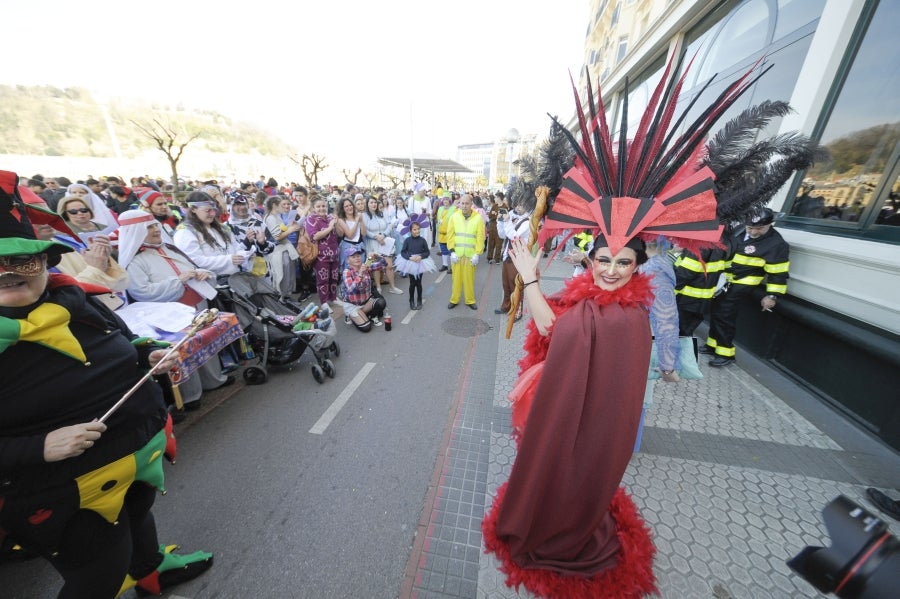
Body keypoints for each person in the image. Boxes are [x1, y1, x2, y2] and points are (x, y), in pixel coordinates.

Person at [0, 176, 213, 598]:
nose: (9, 276)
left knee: (138, 513)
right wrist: (38, 446)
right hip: (65, 491)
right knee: (97, 577)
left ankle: (152, 569)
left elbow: (122, 341)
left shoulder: (75, 299)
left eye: (24, 263)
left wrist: (146, 353)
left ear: (44, 262)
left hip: (135, 453)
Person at [483, 234, 656, 597]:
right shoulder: (593, 297)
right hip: (571, 405)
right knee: (556, 470)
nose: (610, 271)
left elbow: (554, 330)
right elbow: (562, 327)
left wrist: (530, 280)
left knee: (566, 473)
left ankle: (557, 528)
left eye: (623, 262)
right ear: (589, 259)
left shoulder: (626, 316)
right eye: (603, 260)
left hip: (591, 424)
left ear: (637, 266)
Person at [117, 210, 233, 410]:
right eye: (149, 227)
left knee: (203, 344)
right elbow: (141, 292)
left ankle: (214, 380)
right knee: (179, 353)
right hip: (168, 316)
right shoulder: (134, 260)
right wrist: (178, 281)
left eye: (155, 225)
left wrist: (203, 274)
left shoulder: (170, 248)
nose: (156, 230)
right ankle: (190, 396)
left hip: (196, 305)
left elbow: (194, 267)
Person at [703, 208, 790, 367]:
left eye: (760, 229)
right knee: (717, 311)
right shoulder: (740, 230)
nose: (754, 231)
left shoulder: (777, 244)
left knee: (725, 315)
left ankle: (726, 353)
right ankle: (713, 345)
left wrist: (772, 296)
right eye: (751, 228)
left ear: (770, 224)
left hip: (743, 283)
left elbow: (778, 273)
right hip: (725, 279)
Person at [173, 192, 247, 280]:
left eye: (214, 210)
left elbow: (236, 247)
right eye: (207, 210)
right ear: (193, 209)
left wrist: (244, 255)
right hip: (213, 283)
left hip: (236, 279)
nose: (212, 214)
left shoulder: (222, 228)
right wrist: (228, 259)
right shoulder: (185, 232)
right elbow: (194, 260)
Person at [446, 194, 485, 310]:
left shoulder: (478, 218)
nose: (464, 206)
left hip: (470, 255)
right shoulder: (454, 217)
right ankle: (454, 299)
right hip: (457, 255)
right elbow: (450, 235)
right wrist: (451, 251)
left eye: (466, 203)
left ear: (471, 204)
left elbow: (480, 237)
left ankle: (470, 300)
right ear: (459, 204)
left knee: (469, 280)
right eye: (462, 203)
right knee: (456, 279)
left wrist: (477, 254)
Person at [494, 201, 532, 317]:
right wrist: (500, 222)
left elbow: (514, 237)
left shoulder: (528, 222)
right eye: (517, 204)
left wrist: (507, 221)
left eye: (521, 204)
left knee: (516, 286)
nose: (517, 207)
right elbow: (502, 235)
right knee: (506, 284)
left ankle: (517, 312)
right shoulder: (515, 217)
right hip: (508, 256)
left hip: (518, 258)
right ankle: (506, 306)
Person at [362, 196, 403, 295]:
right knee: (376, 267)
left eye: (375, 202)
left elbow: (389, 225)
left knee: (389, 265)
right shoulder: (364, 216)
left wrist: (383, 235)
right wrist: (376, 237)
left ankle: (392, 287)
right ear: (367, 204)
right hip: (372, 244)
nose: (374, 204)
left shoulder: (382, 213)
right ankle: (378, 287)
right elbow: (365, 231)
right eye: (371, 202)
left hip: (385, 242)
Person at [339, 246, 386, 332]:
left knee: (381, 302)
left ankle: (363, 314)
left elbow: (383, 265)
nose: (357, 258)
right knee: (366, 327)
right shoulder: (347, 272)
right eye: (353, 257)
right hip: (352, 305)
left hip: (366, 302)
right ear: (347, 260)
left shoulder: (366, 266)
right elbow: (351, 289)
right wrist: (360, 274)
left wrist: (376, 256)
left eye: (358, 256)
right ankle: (350, 316)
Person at [262, 195, 300, 299]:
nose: (284, 207)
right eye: (281, 204)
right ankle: (283, 297)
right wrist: (291, 230)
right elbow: (277, 236)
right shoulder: (270, 218)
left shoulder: (276, 216)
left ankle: (286, 296)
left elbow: (281, 230)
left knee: (287, 275)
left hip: (283, 250)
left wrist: (289, 226)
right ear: (274, 205)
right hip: (277, 251)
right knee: (282, 275)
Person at [305, 197, 339, 307]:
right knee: (322, 280)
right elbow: (315, 236)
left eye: (323, 206)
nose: (321, 208)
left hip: (334, 253)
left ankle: (333, 298)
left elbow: (338, 234)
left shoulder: (330, 217)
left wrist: (336, 222)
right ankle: (324, 302)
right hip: (321, 255)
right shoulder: (311, 219)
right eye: (318, 206)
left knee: (334, 278)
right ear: (314, 208)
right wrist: (330, 227)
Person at [395, 219, 436, 310]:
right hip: (410, 263)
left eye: (418, 229)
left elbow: (427, 252)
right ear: (410, 231)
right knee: (412, 283)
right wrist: (410, 258)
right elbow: (403, 252)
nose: (417, 231)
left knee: (418, 283)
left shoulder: (422, 240)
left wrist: (421, 257)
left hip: (420, 263)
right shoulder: (407, 240)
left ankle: (419, 300)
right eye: (414, 229)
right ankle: (411, 300)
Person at [435, 195, 455, 272]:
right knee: (443, 250)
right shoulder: (440, 209)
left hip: (450, 234)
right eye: (444, 200)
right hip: (441, 233)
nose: (445, 201)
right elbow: (438, 220)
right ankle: (445, 265)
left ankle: (453, 267)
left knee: (451, 251)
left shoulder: (454, 209)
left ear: (450, 200)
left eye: (447, 199)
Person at [486, 194, 503, 264]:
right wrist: (496, 214)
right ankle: (489, 257)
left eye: (496, 197)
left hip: (500, 228)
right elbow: (490, 215)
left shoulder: (504, 206)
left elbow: (501, 217)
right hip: (492, 227)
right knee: (491, 243)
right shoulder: (494, 206)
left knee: (499, 244)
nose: (494, 199)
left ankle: (497, 258)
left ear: (499, 198)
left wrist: (495, 214)